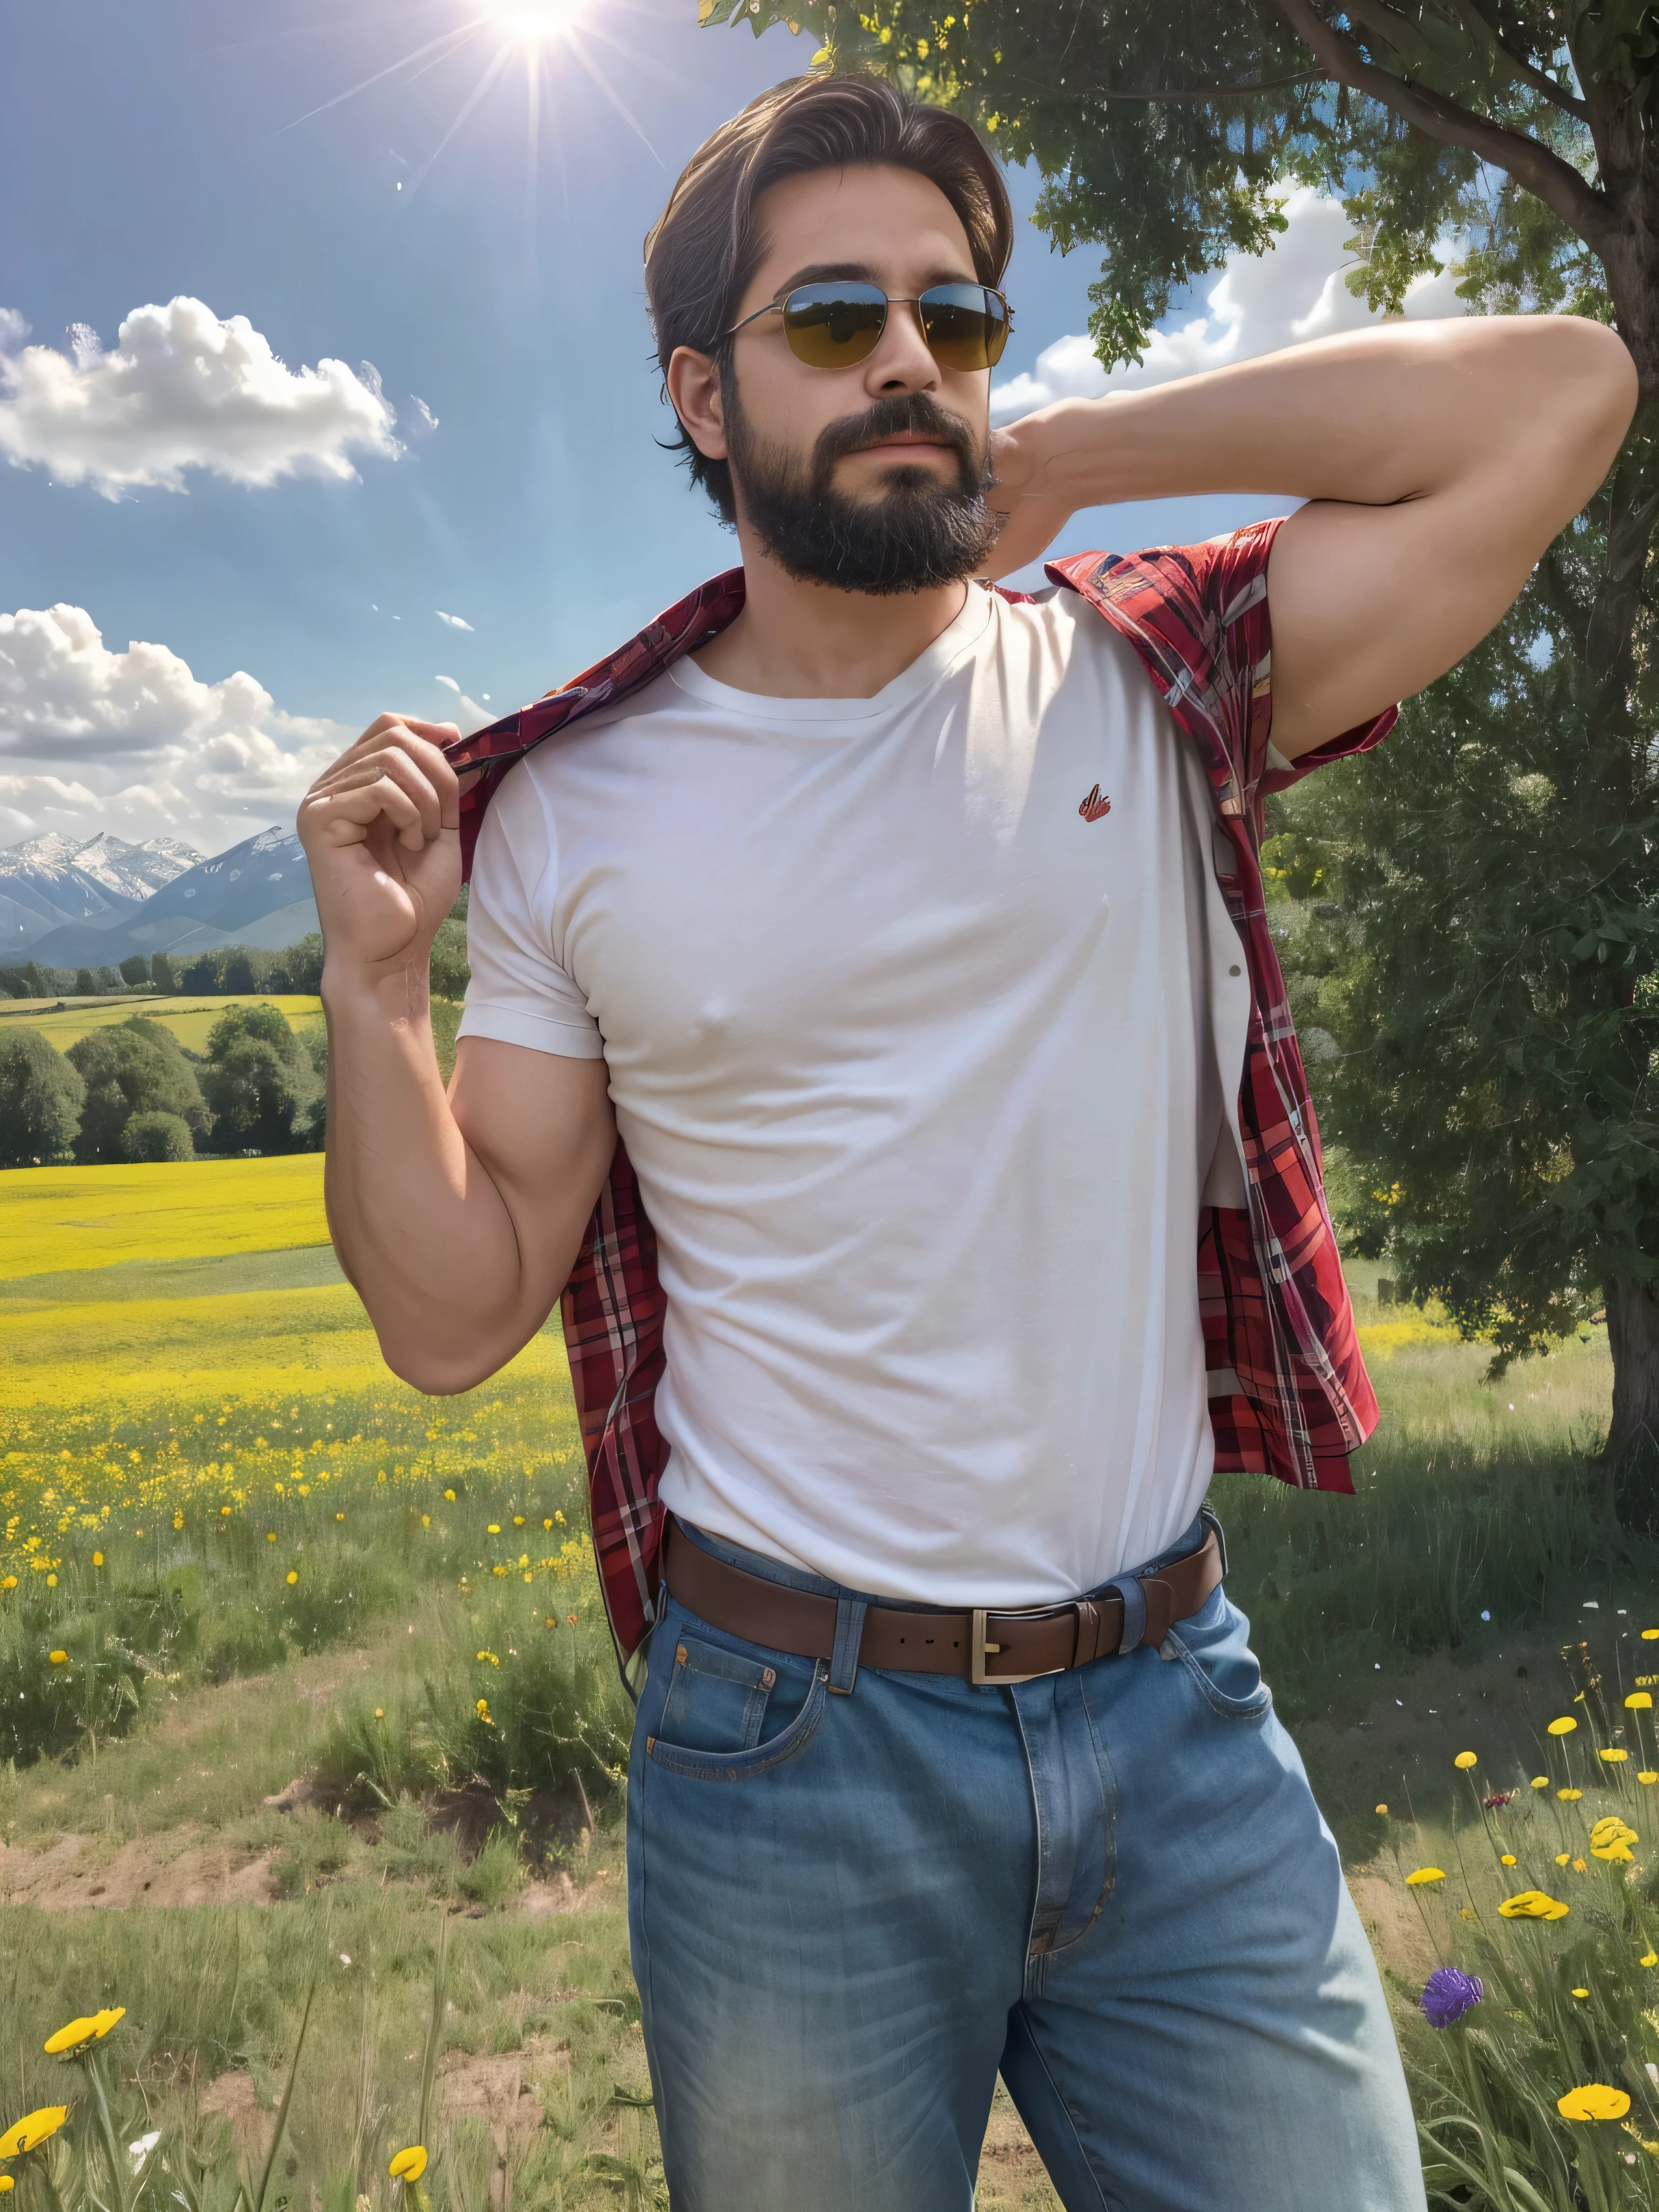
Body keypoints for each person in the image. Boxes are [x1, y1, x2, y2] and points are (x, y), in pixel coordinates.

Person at [298, 74, 1635, 2212]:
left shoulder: (1157, 672)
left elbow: (1557, 394)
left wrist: (1082, 453)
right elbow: (453, 1311)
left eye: (959, 316)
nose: (911, 356)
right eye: (834, 318)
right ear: (700, 395)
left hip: (1183, 1717)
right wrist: (373, 992)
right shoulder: (566, 813)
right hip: (787, 1756)